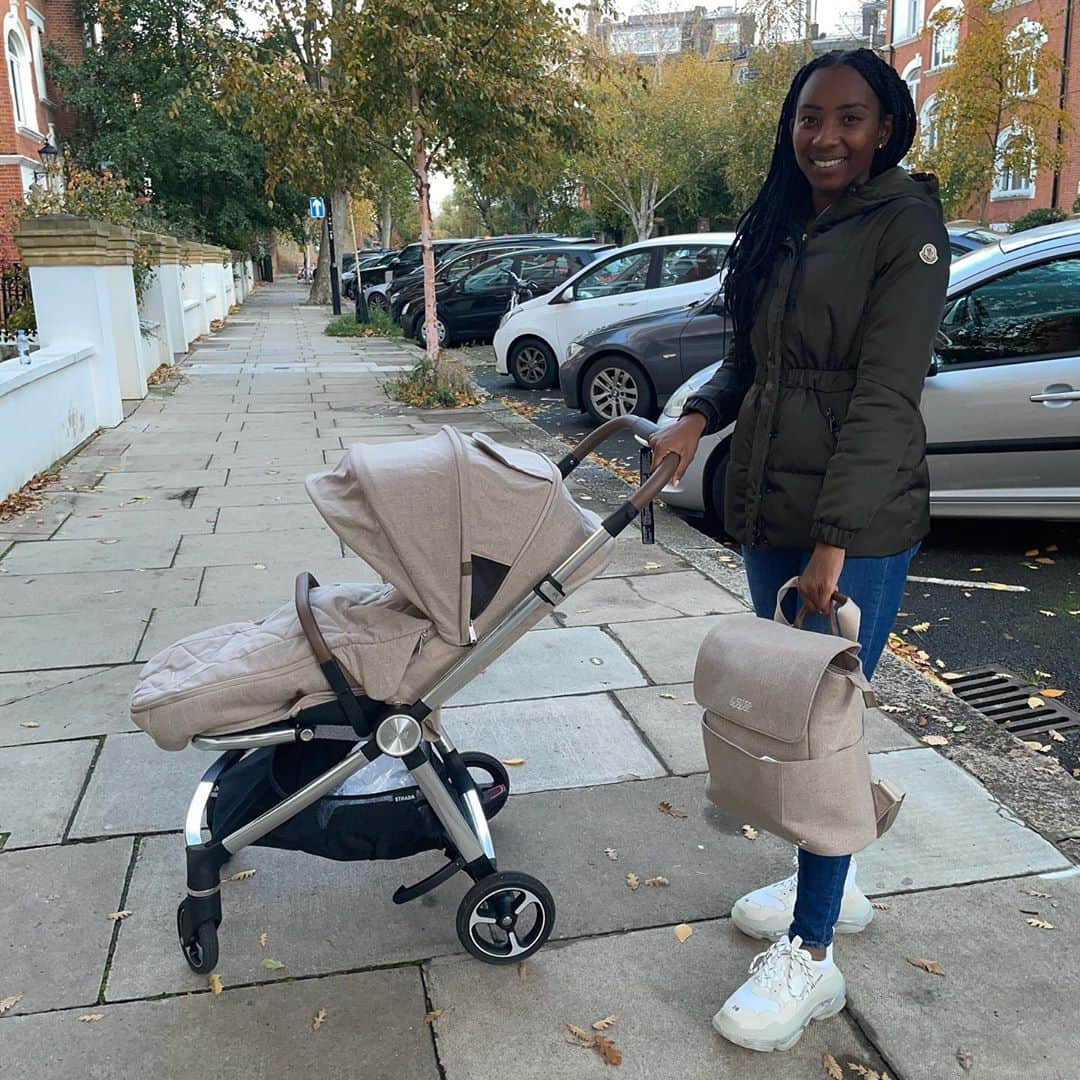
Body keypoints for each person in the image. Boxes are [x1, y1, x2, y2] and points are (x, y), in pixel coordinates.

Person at [649, 48, 949, 1053]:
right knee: (794, 715)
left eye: (851, 118)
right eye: (810, 118)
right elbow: (755, 359)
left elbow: (879, 397)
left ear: (887, 125)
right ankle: (839, 879)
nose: (826, 137)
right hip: (773, 506)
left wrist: (834, 547)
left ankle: (813, 957)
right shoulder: (790, 220)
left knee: (821, 727)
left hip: (849, 526)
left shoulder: (907, 229)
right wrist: (698, 415)